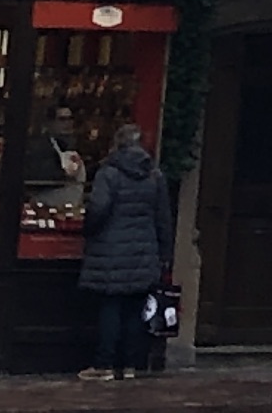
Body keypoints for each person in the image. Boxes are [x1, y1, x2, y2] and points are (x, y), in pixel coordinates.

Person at [76, 123, 169, 383]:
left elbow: (98, 209)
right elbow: (163, 217)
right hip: (143, 251)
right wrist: (164, 253)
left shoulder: (109, 173)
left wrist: (88, 230)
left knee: (110, 307)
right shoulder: (154, 175)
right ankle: (130, 365)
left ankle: (104, 364)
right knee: (135, 311)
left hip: (111, 250)